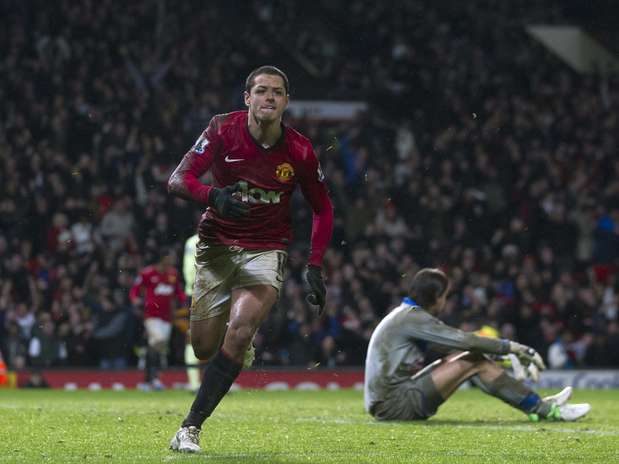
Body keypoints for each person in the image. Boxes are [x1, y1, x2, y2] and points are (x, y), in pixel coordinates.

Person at [167, 65, 334, 453]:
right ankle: (236, 343)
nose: (269, 98)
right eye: (261, 91)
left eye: (277, 92)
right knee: (204, 349)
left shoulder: (300, 150)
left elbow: (323, 208)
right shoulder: (222, 130)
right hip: (217, 247)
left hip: (267, 248)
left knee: (240, 332)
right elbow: (177, 179)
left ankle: (190, 428)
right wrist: (213, 196)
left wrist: (314, 264)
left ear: (286, 101)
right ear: (247, 98)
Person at [364, 268, 591, 423]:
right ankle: (543, 410)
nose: (446, 301)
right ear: (435, 297)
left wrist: (505, 359)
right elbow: (466, 341)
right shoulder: (412, 318)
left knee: (471, 358)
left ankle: (539, 405)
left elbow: (453, 350)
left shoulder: (407, 316)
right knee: (472, 359)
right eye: (445, 296)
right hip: (394, 404)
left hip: (390, 400)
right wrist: (513, 348)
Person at [129, 249, 187, 390]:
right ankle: (151, 377)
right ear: (163, 258)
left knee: (157, 348)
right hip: (151, 316)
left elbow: (178, 292)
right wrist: (135, 300)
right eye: (170, 257)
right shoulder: (147, 273)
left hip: (167, 318)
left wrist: (185, 301)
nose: (173, 260)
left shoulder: (173, 274)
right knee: (159, 340)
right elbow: (135, 290)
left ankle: (150, 380)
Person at [182, 233, 201, 392]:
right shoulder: (218, 238)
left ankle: (197, 383)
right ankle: (195, 383)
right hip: (202, 292)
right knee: (192, 337)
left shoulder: (191, 241)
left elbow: (187, 269)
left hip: (195, 292)